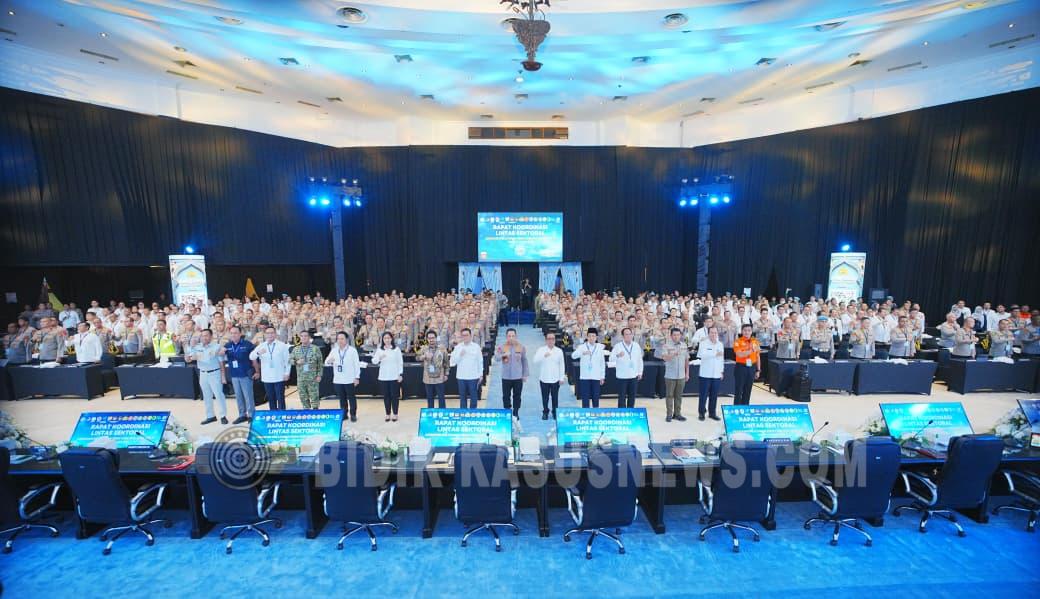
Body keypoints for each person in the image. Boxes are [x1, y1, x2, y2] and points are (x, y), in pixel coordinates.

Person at [187, 329, 227, 425]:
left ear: (211, 336)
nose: (204, 337)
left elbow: (221, 362)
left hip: (215, 373)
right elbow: (189, 359)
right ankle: (210, 416)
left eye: (206, 335)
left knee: (219, 395)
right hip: (203, 374)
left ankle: (223, 416)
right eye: (202, 336)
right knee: (206, 395)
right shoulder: (197, 347)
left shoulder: (217, 347)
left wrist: (223, 376)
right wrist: (189, 350)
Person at [219, 325, 256, 424]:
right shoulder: (227, 345)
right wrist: (221, 352)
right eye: (231, 333)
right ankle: (242, 415)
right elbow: (220, 355)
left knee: (248, 396)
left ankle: (251, 415)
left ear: (240, 334)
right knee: (238, 396)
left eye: (235, 333)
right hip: (234, 374)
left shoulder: (248, 344)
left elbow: (254, 359)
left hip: (245, 374)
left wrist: (257, 371)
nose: (233, 335)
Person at [249, 326, 291, 410]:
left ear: (275, 334)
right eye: (268, 333)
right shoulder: (261, 345)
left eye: (272, 333)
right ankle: (273, 415)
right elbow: (251, 357)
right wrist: (258, 353)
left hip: (279, 376)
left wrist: (287, 373)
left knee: (280, 398)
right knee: (271, 399)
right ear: (265, 334)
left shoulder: (282, 345)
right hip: (267, 378)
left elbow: (287, 361)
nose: (270, 335)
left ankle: (282, 415)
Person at [655, 327, 689, 422]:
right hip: (670, 375)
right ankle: (669, 415)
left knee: (679, 396)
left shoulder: (684, 345)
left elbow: (686, 360)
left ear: (680, 335)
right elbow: (664, 358)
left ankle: (677, 414)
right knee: (669, 395)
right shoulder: (666, 346)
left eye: (678, 335)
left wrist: (687, 373)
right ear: (671, 336)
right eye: (674, 335)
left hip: (681, 375)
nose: (676, 336)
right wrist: (673, 354)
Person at [325, 331, 361, 421]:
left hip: (349, 379)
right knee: (342, 398)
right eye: (338, 339)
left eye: (342, 339)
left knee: (351, 397)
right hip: (338, 379)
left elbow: (357, 365)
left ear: (346, 340)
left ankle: (353, 414)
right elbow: (326, 362)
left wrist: (357, 377)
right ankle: (344, 414)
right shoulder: (334, 350)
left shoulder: (352, 350)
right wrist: (329, 361)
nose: (340, 341)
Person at [495, 328, 528, 418]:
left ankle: (516, 412)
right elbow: (496, 358)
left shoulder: (521, 347)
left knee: (517, 395)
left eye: (513, 336)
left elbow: (524, 361)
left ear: (516, 336)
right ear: (506, 337)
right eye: (509, 336)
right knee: (506, 396)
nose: (511, 338)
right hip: (506, 377)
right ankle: (507, 411)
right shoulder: (502, 347)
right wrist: (504, 355)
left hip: (518, 376)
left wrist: (525, 374)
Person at [532, 332, 566, 419]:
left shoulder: (559, 351)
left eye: (552, 339)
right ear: (546, 340)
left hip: (555, 379)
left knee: (555, 397)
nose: (551, 341)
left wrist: (561, 378)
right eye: (549, 339)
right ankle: (545, 412)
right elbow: (535, 361)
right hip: (544, 378)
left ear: (555, 340)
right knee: (545, 397)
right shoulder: (541, 350)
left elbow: (562, 365)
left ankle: (555, 412)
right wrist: (543, 356)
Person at [372, 331, 403, 422]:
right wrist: (379, 358)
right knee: (386, 396)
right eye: (385, 338)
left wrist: (400, 374)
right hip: (383, 376)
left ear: (391, 339)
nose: (387, 340)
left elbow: (400, 362)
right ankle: (387, 414)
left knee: (394, 396)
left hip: (394, 376)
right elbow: (374, 361)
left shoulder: (396, 349)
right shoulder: (380, 349)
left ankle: (395, 414)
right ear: (383, 340)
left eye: (388, 338)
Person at [608, 327, 643, 408]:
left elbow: (639, 360)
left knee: (632, 396)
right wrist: (618, 355)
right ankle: (622, 413)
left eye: (630, 334)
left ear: (632, 335)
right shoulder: (618, 346)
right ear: (622, 336)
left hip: (633, 375)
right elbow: (611, 359)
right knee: (622, 397)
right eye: (626, 334)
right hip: (622, 376)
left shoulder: (636, 345)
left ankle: (630, 412)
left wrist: (640, 372)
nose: (628, 336)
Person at [449, 328, 483, 409]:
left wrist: (481, 374)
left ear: (471, 336)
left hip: (473, 376)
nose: (465, 337)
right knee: (462, 397)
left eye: (467, 335)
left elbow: (480, 361)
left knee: (473, 397)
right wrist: (460, 355)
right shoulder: (458, 347)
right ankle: (463, 414)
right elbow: (452, 363)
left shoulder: (476, 347)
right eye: (463, 335)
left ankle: (473, 413)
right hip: (461, 377)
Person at [696, 326, 724, 421]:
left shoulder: (720, 344)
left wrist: (721, 371)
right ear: (708, 334)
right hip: (705, 374)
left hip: (716, 374)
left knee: (714, 395)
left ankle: (712, 413)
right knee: (703, 395)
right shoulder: (703, 343)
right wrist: (714, 354)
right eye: (712, 332)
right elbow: (701, 355)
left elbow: (721, 359)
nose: (713, 334)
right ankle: (701, 413)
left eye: (715, 333)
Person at [292, 330, 324, 410]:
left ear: (309, 337)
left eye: (306, 336)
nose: (304, 338)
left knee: (314, 396)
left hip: (313, 378)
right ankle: (306, 411)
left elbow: (320, 363)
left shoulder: (315, 348)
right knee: (303, 397)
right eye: (302, 336)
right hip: (301, 378)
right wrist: (296, 362)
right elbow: (289, 360)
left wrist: (319, 375)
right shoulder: (296, 349)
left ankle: (315, 412)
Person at [575, 327, 606, 408]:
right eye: (589, 336)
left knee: (596, 398)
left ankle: (596, 413)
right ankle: (586, 414)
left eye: (593, 336)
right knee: (585, 399)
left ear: (596, 337)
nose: (591, 338)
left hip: (596, 376)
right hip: (585, 376)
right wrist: (582, 353)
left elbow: (602, 363)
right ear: (587, 337)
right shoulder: (582, 347)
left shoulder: (600, 347)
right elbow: (573, 356)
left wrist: (602, 376)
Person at [418, 330, 449, 409]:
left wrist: (446, 374)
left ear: (436, 338)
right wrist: (424, 356)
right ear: (427, 339)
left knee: (441, 398)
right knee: (430, 398)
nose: (431, 340)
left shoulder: (442, 348)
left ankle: (442, 414)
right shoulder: (424, 348)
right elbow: (417, 357)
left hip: (440, 378)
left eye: (433, 338)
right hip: (428, 378)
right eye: (429, 338)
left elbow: (446, 362)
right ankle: (430, 414)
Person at [732, 324, 760, 406]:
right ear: (742, 331)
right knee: (739, 390)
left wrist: (758, 370)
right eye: (745, 330)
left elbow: (758, 356)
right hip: (741, 367)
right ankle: (737, 409)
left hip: (752, 367)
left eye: (749, 330)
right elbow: (739, 354)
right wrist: (751, 350)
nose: (747, 332)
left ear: (751, 331)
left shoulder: (755, 341)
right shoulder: (738, 341)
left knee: (748, 390)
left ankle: (745, 408)